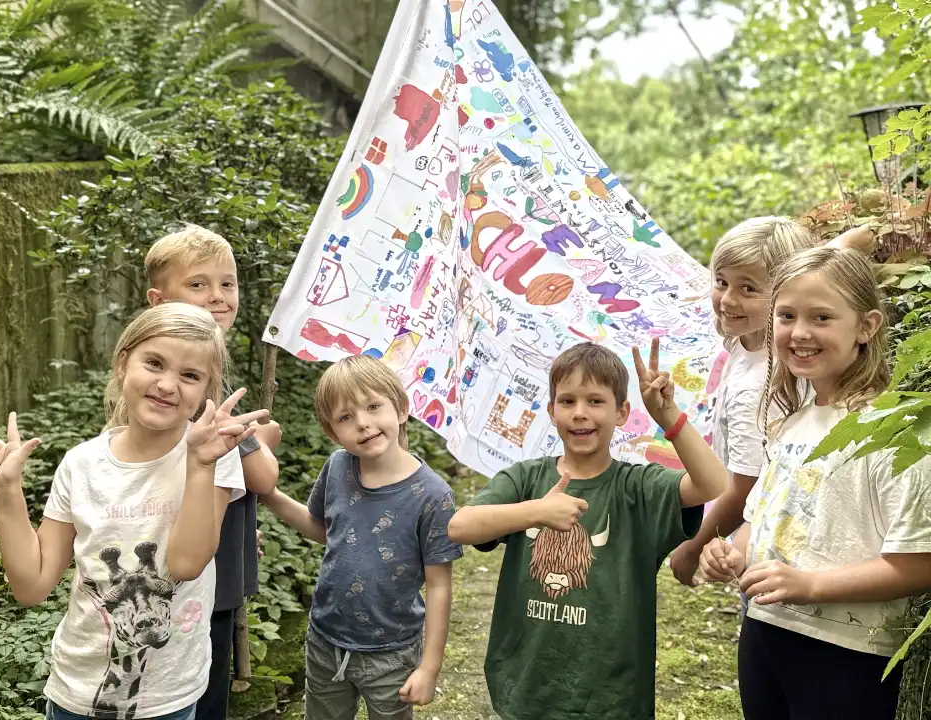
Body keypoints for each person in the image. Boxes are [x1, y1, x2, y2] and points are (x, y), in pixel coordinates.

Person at [0, 303, 270, 720]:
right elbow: (31, 586)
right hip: (75, 690)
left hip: (167, 697)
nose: (168, 385)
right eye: (154, 363)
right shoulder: (81, 464)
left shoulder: (211, 457)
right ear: (121, 365)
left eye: (189, 375)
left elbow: (186, 564)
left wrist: (200, 466)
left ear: (208, 391)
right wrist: (7, 494)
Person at [699, 247, 931, 720]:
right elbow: (759, 522)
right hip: (764, 634)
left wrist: (810, 585)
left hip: (846, 655)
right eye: (787, 316)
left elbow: (920, 563)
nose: (800, 332)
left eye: (822, 317)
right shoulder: (792, 424)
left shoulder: (897, 430)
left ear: (866, 326)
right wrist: (732, 549)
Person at [447, 339, 728, 720]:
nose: (580, 413)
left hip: (611, 694)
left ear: (622, 412)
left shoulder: (637, 488)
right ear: (551, 410)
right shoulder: (525, 479)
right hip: (526, 683)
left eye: (595, 401)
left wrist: (668, 417)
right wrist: (535, 511)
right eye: (567, 401)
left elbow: (713, 484)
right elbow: (460, 526)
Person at [260, 355, 463, 719]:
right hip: (325, 640)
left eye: (373, 406)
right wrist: (271, 496)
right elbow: (323, 529)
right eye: (345, 417)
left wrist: (429, 668)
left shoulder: (433, 495)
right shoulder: (338, 467)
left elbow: (439, 586)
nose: (363, 423)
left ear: (401, 408)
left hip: (392, 651)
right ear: (332, 431)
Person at [144, 225, 280, 719]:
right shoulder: (186, 388)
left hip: (217, 562)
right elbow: (265, 476)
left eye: (228, 283)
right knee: (190, 694)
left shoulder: (198, 376)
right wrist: (258, 443)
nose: (218, 297)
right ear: (158, 301)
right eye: (198, 284)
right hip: (185, 572)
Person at [669, 217, 815, 586]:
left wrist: (693, 547)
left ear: (788, 291)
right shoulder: (749, 337)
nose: (728, 299)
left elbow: (743, 485)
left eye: (748, 288)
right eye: (721, 282)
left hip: (775, 547)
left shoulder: (759, 384)